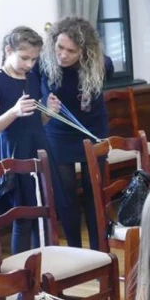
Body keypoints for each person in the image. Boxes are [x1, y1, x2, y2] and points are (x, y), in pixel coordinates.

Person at [36, 17, 113, 250]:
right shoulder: (43, 64)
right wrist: (45, 105)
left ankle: (98, 251)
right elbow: (33, 94)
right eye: (60, 47)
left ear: (84, 51)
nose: (63, 55)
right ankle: (75, 251)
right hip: (58, 133)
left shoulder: (103, 64)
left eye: (71, 51)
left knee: (93, 192)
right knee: (66, 195)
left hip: (92, 130)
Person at [0, 27, 61, 253]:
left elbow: (36, 123)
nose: (29, 64)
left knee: (44, 212)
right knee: (24, 216)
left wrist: (49, 113)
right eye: (25, 58)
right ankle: (23, 271)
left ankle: (45, 267)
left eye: (34, 59)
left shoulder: (32, 79)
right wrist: (14, 112)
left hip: (38, 147)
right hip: (15, 153)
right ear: (8, 50)